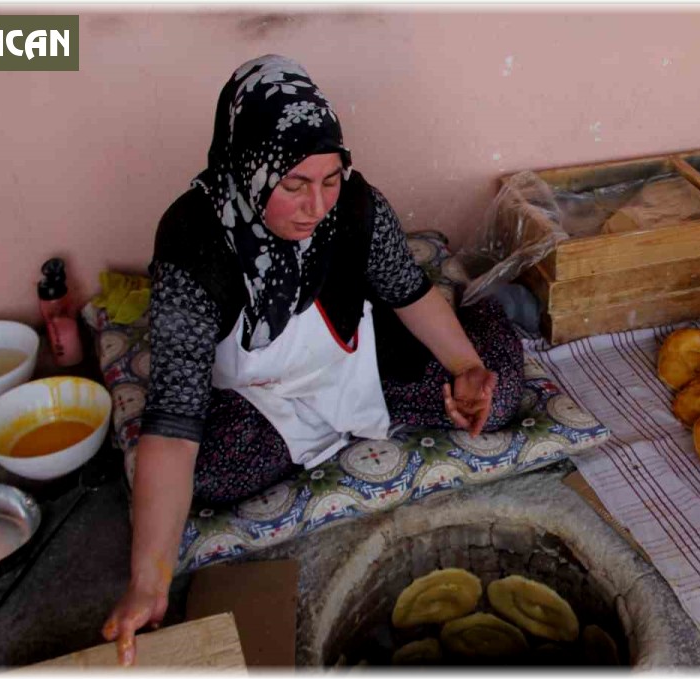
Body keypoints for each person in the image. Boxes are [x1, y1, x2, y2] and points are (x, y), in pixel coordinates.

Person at [100, 55, 523, 665]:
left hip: (358, 365)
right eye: (293, 184)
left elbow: (407, 292)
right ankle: (322, 433)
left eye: (329, 179)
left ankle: (482, 327)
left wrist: (464, 369)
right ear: (247, 167)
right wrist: (149, 580)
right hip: (264, 398)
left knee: (498, 393)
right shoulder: (193, 242)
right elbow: (173, 421)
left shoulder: (355, 206)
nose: (315, 205)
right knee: (205, 474)